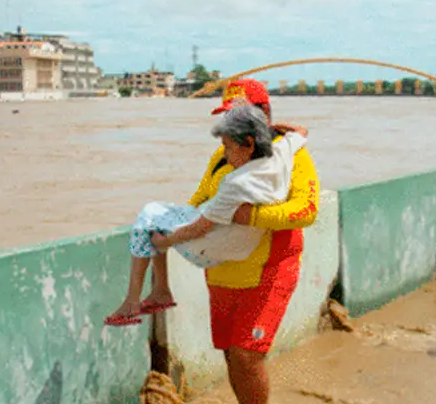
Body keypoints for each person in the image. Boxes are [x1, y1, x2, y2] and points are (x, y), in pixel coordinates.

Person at [179, 78, 319, 404]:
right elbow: (199, 199)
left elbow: (306, 209)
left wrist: (248, 217)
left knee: (246, 353)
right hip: (222, 269)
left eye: (236, 120)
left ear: (261, 117)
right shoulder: (221, 157)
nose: (228, 130)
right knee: (231, 354)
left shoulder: (291, 154)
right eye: (225, 120)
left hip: (271, 267)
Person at [104, 104, 308, 325]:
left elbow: (199, 228)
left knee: (148, 216)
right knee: (162, 215)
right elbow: (301, 131)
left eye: (228, 147)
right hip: (243, 243)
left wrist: (165, 241)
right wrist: (263, 127)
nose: (226, 156)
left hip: (212, 248)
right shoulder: (281, 154)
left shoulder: (237, 183)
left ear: (249, 144)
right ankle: (160, 291)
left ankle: (132, 301)